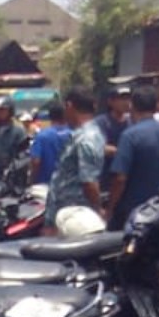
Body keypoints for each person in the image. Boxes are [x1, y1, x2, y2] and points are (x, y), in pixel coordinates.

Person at [105, 85, 159, 230]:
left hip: (132, 212)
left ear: (132, 106)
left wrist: (110, 208)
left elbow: (120, 178)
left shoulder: (130, 136)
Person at [43, 88, 105, 231]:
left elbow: (89, 182)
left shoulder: (87, 138)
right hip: (63, 212)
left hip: (73, 217)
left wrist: (98, 210)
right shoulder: (80, 135)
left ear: (69, 106)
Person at [29, 102, 71, 186]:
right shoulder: (75, 134)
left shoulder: (42, 136)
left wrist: (32, 180)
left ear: (50, 116)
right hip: (69, 185)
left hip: (45, 185)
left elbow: (36, 161)